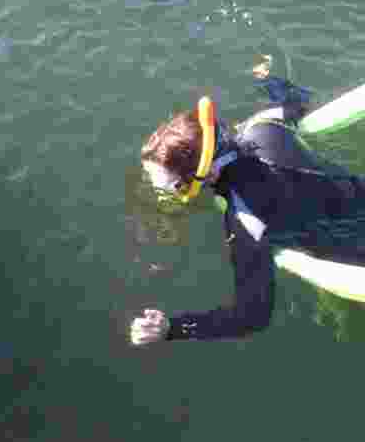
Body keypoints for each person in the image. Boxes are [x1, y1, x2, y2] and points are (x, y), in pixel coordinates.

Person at [132, 76, 365, 345]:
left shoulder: (245, 219)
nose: (162, 191)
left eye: (173, 186)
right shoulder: (263, 125)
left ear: (207, 174)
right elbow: (297, 102)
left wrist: (172, 328)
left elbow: (252, 316)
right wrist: (268, 79)